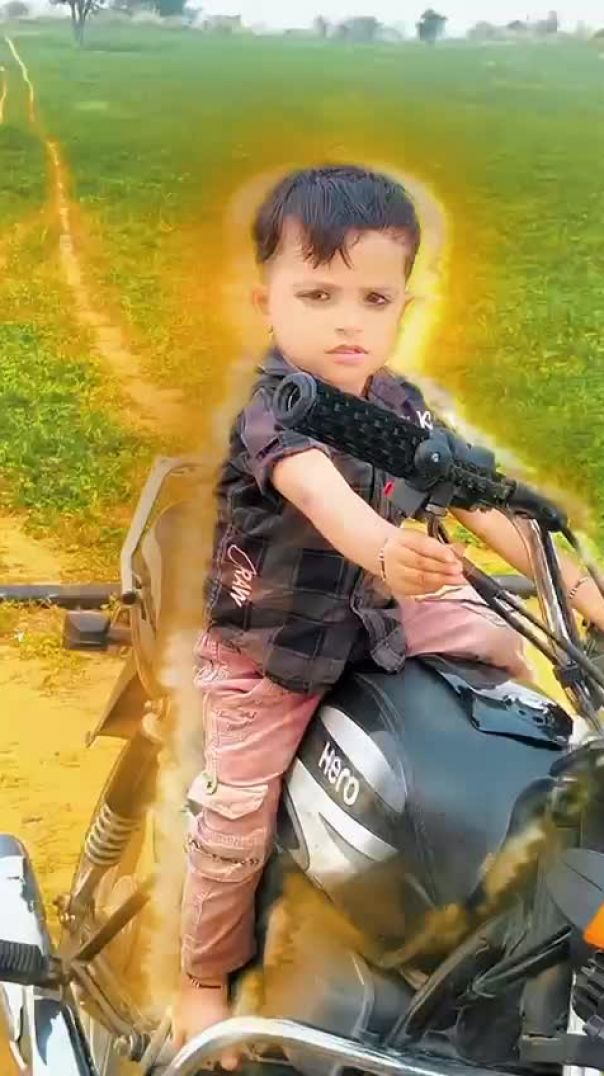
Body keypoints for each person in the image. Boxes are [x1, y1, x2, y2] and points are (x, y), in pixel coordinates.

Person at [172, 164, 604, 1061]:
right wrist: (384, 549)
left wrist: (576, 587)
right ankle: (202, 978)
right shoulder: (275, 407)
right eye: (318, 294)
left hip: (377, 612)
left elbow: (481, 500)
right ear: (265, 300)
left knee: (497, 637)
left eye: (373, 298)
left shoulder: (398, 405)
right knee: (234, 822)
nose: (348, 321)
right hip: (277, 646)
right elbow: (321, 495)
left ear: (403, 307)